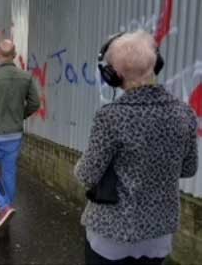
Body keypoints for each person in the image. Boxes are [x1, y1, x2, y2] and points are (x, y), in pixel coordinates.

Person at [74, 30, 198, 265]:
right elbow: (188, 169)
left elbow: (86, 175)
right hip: (158, 233)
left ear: (114, 74)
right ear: (156, 64)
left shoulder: (111, 117)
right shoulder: (185, 113)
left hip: (112, 234)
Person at [0, 39, 40, 231]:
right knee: (9, 172)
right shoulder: (25, 77)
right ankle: (7, 207)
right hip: (15, 135)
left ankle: (4, 207)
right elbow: (35, 104)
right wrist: (20, 116)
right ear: (14, 54)